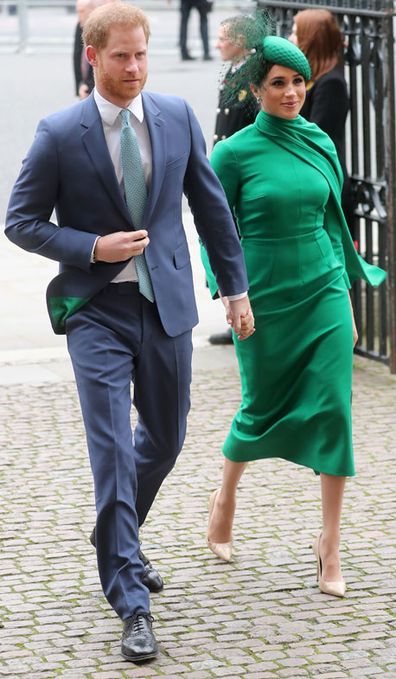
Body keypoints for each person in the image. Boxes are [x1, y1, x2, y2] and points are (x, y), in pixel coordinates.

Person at [5, 1, 254, 662]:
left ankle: (113, 537)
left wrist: (235, 287)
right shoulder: (59, 132)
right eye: (120, 56)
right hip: (97, 312)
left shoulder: (175, 117)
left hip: (167, 307)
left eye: (141, 54)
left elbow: (209, 203)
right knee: (112, 450)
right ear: (93, 56)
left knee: (166, 438)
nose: (134, 67)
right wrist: (93, 246)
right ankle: (131, 600)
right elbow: (21, 221)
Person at [202, 35, 386, 597]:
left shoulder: (320, 143)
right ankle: (226, 496)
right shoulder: (232, 154)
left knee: (334, 409)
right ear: (255, 88)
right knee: (259, 407)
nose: (290, 92)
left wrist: (348, 304)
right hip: (262, 297)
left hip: (323, 290)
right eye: (278, 82)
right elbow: (215, 231)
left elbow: (334, 225)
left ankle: (330, 544)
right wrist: (229, 293)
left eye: (298, 81)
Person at [209, 14, 262, 346]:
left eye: (224, 39)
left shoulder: (250, 75)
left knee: (235, 240)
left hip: (239, 165)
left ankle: (242, 315)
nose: (218, 45)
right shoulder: (231, 72)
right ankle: (234, 314)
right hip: (224, 161)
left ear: (242, 42)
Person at [289, 9, 355, 239]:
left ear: (311, 38)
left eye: (296, 33)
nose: (291, 38)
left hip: (326, 185)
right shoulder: (311, 78)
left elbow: (317, 137)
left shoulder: (331, 84)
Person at [73, 0, 96, 99]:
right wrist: (80, 85)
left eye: (82, 11)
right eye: (77, 11)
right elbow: (77, 56)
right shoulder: (80, 26)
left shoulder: (98, 29)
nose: (79, 15)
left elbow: (96, 59)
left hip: (94, 87)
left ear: (92, 11)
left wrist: (89, 87)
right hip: (83, 87)